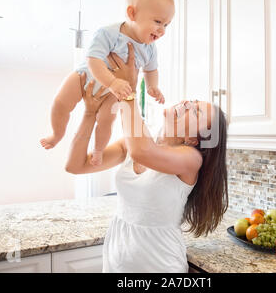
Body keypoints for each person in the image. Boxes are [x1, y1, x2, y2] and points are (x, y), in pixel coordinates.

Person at [65, 43, 229, 273]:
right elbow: (75, 165)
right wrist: (89, 113)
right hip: (116, 261)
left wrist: (127, 89)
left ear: (194, 139)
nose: (187, 104)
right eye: (191, 101)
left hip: (160, 266)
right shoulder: (136, 142)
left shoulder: (190, 159)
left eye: (197, 111)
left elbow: (142, 151)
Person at [41, 0, 174, 168]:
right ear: (132, 13)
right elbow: (93, 59)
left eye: (167, 25)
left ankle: (98, 151)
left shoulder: (150, 50)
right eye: (158, 22)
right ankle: (57, 134)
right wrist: (112, 82)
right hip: (85, 78)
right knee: (60, 103)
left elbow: (151, 70)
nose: (162, 30)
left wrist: (153, 87)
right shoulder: (109, 33)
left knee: (106, 121)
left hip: (114, 93)